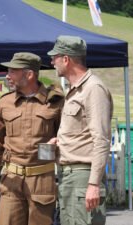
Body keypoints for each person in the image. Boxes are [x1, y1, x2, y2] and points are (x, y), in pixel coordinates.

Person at [0, 52, 64, 225]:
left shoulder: (55, 102)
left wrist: (58, 144)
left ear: (29, 74)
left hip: (42, 182)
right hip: (11, 181)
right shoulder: (4, 103)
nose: (7, 76)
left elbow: (68, 137)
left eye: (12, 72)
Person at [47, 35, 113, 225]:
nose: (52, 62)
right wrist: (61, 141)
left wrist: (93, 184)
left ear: (66, 59)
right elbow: (82, 131)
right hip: (71, 177)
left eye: (55, 57)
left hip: (83, 177)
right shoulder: (76, 89)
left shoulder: (93, 89)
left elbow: (101, 139)